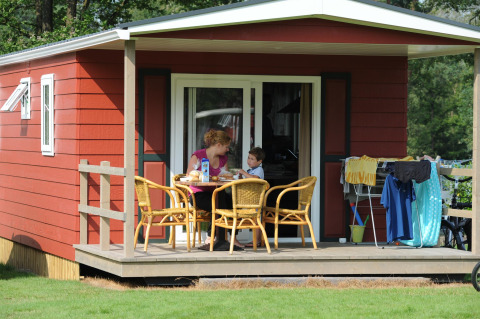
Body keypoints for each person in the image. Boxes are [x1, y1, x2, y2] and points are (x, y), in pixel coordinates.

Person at [186, 129, 240, 248]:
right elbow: (189, 176)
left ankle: (233, 238)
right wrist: (204, 177)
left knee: (233, 203)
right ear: (218, 145)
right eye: (226, 146)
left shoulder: (223, 158)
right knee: (216, 203)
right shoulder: (198, 156)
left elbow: (225, 175)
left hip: (216, 192)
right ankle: (211, 236)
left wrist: (227, 176)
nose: (228, 149)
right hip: (198, 194)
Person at [238, 147, 266, 247]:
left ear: (259, 161)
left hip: (257, 199)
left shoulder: (259, 169)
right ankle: (256, 240)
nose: (249, 160)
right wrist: (241, 177)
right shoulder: (250, 170)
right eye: (248, 158)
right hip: (251, 200)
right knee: (254, 219)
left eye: (252, 159)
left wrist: (245, 173)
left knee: (257, 219)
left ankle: (257, 240)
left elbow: (255, 179)